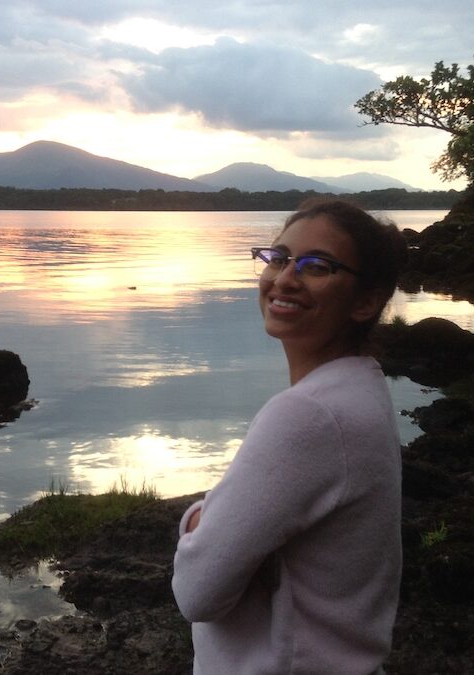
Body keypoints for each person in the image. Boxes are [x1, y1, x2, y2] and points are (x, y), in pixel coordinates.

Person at [172, 199, 407, 674]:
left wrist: (202, 516)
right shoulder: (362, 387)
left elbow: (196, 593)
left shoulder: (308, 416)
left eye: (316, 266)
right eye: (278, 257)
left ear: (366, 301)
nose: (283, 278)